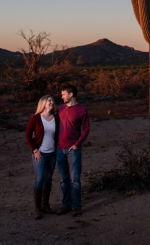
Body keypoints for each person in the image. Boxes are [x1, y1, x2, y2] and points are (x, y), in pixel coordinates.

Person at [56, 84, 90, 217]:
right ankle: (66, 205)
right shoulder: (60, 108)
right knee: (64, 179)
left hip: (74, 150)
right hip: (59, 149)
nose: (61, 96)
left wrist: (77, 144)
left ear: (71, 95)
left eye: (63, 94)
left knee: (75, 179)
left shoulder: (82, 110)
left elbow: (86, 129)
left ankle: (76, 206)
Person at [25, 95, 60, 220]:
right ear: (43, 103)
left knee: (48, 180)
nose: (52, 102)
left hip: (52, 154)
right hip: (40, 154)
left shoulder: (56, 118)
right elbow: (28, 135)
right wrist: (35, 150)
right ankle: (37, 208)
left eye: (53, 101)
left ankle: (45, 205)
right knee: (39, 180)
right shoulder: (35, 118)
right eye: (49, 100)